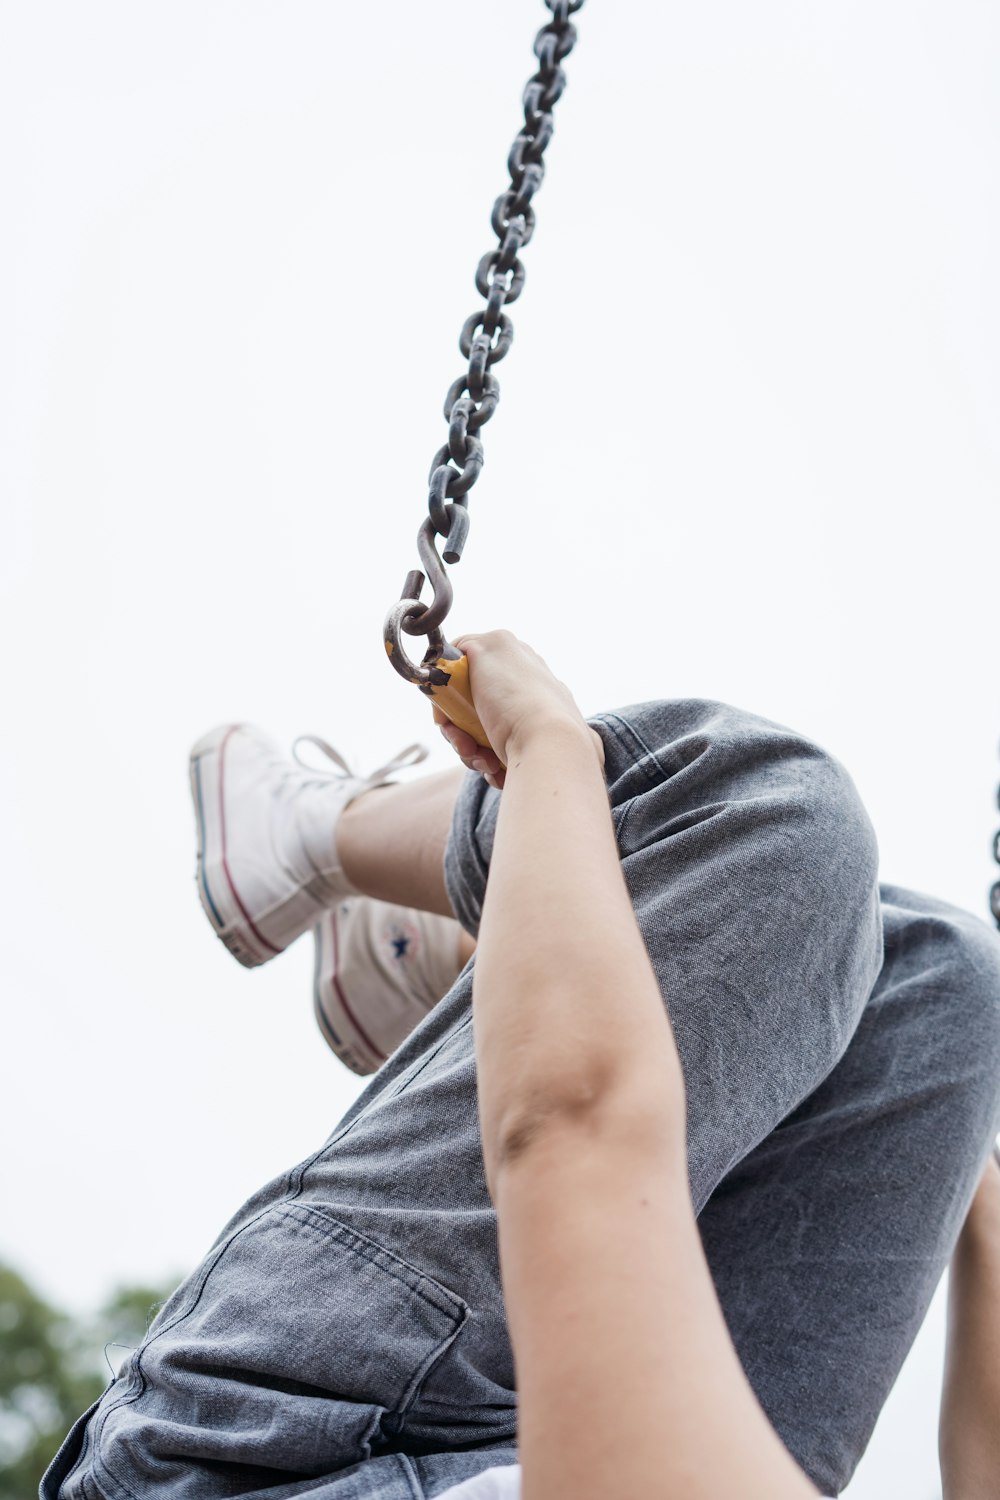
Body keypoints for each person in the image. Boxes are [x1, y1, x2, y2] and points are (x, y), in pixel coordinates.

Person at [43, 634, 1000, 1499]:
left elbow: (570, 1135)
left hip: (274, 1455)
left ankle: (316, 846)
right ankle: (462, 982)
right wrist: (962, 1138)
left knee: (756, 805)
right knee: (943, 981)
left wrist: (546, 744)